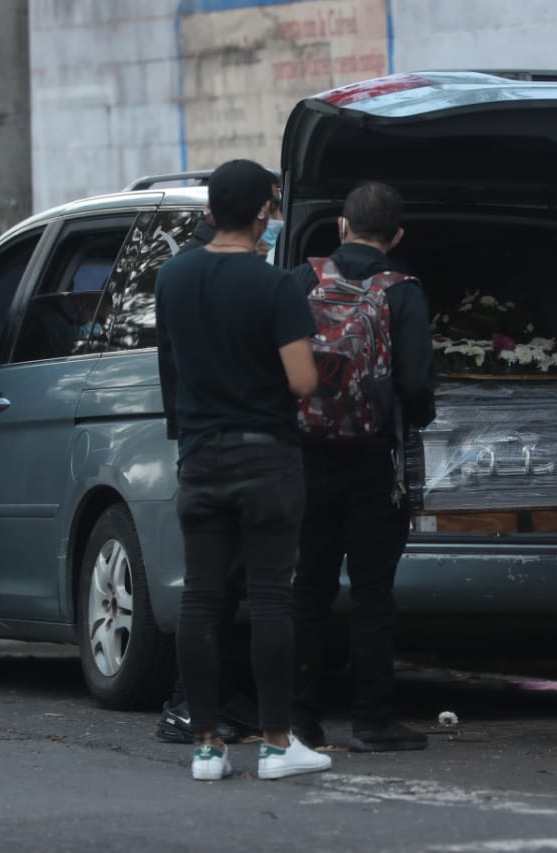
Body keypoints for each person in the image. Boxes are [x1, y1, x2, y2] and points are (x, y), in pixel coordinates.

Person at [154, 159, 330, 781]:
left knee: (201, 600)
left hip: (200, 456)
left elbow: (171, 369)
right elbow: (302, 379)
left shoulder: (171, 279)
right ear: (264, 211)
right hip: (267, 457)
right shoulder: (277, 285)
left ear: (208, 212)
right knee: (270, 600)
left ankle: (207, 747)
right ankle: (278, 744)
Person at [288, 182, 437, 753]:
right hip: (375, 461)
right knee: (373, 592)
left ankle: (300, 719)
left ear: (342, 227)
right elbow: (417, 384)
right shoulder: (403, 293)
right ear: (396, 237)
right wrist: (408, 420)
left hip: (305, 457)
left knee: (309, 589)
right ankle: (373, 720)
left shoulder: (302, 280)